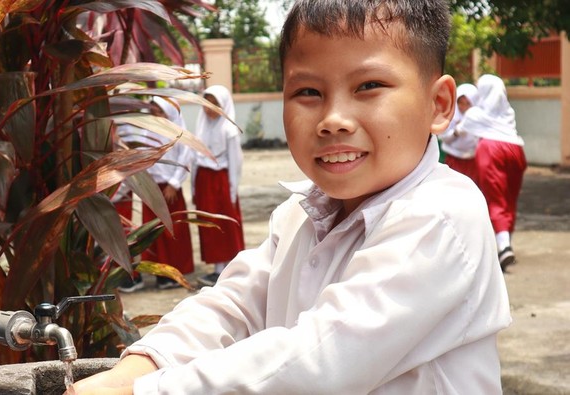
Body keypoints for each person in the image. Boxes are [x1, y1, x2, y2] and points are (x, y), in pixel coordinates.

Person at [71, 1, 511, 393]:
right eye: (308, 92)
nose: (333, 119)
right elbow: (234, 305)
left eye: (369, 86)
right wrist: (140, 365)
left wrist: (150, 391)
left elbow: (324, 358)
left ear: (438, 104)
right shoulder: (300, 214)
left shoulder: (442, 215)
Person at [456, 74, 527, 272]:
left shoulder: (475, 114)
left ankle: (503, 246)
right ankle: (506, 244)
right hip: (516, 149)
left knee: (494, 198)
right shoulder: (508, 112)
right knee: (510, 199)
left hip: (490, 150)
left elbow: (459, 132)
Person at [139, 96, 195, 289]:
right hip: (152, 188)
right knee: (153, 232)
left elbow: (185, 159)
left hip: (170, 190)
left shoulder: (178, 132)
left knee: (173, 231)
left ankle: (175, 272)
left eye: (160, 111)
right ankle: (159, 273)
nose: (156, 113)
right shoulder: (148, 130)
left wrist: (173, 184)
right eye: (153, 110)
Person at [192, 84, 245, 287]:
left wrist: (232, 190)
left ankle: (230, 268)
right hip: (204, 181)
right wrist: (195, 189)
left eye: (215, 104)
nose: (209, 108)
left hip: (221, 181)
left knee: (225, 223)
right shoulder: (201, 126)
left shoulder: (229, 130)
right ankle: (216, 269)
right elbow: (195, 160)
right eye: (207, 103)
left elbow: (235, 162)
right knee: (208, 224)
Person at [439, 83, 479, 181]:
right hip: (453, 159)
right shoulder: (450, 117)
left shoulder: (479, 119)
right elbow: (443, 138)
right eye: (460, 103)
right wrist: (456, 132)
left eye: (468, 103)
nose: (463, 106)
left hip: (473, 161)